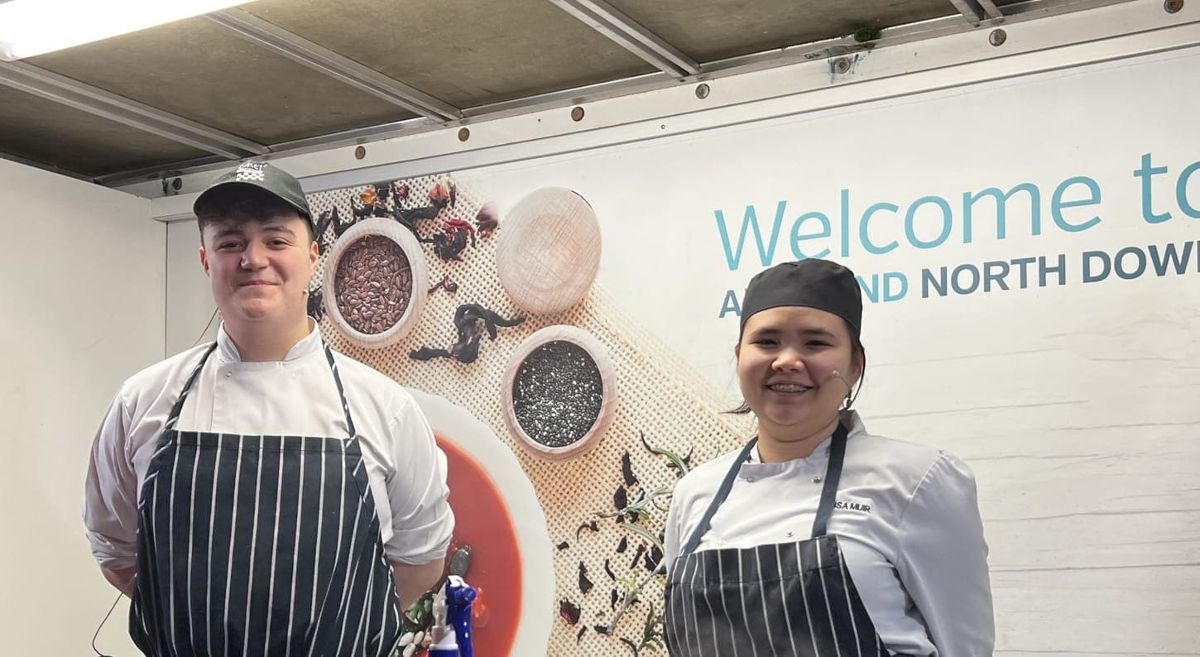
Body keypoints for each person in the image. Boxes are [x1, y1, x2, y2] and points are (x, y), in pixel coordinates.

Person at [83, 161, 454, 657]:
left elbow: (420, 561)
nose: (253, 259)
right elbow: (116, 552)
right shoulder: (143, 402)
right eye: (231, 243)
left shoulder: (386, 409)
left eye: (276, 241)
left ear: (313, 255)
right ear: (204, 259)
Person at [663, 259, 993, 657]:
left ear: (856, 364)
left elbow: (965, 648)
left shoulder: (917, 479)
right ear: (739, 356)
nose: (786, 360)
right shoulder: (695, 492)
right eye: (766, 342)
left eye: (815, 343)